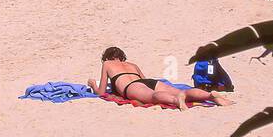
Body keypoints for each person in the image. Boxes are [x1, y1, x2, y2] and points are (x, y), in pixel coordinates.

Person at [89, 47, 233, 110]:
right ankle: (211, 96)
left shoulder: (108, 64)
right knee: (178, 91)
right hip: (146, 81)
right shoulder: (132, 65)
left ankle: (175, 101)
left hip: (131, 87)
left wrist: (92, 85)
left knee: (152, 96)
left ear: (107, 58)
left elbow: (101, 92)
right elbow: (145, 80)